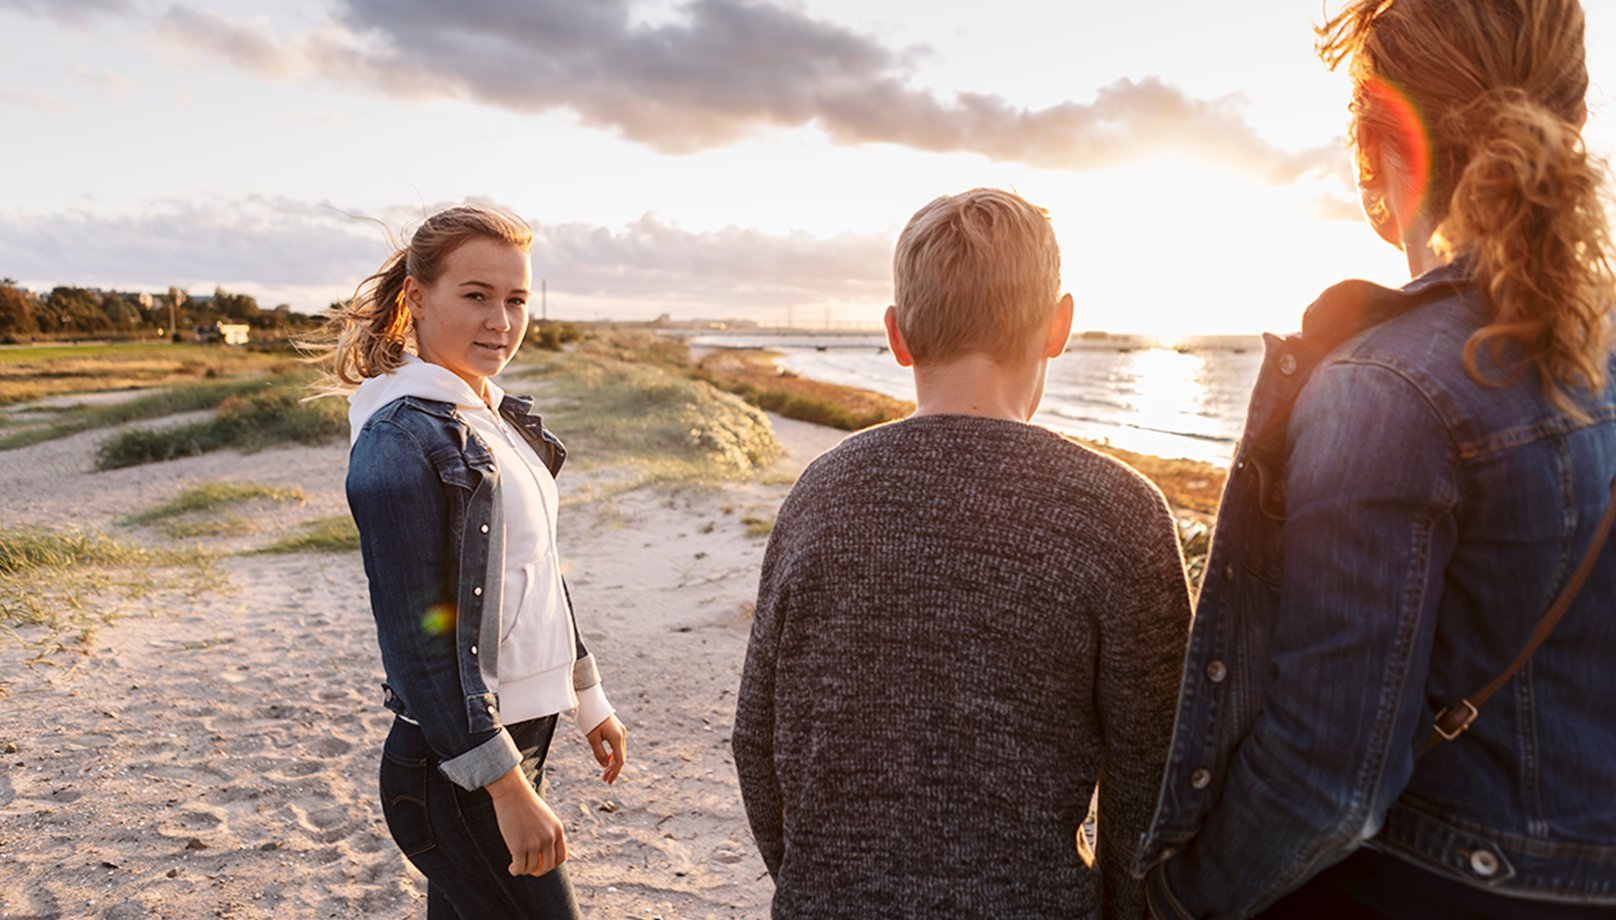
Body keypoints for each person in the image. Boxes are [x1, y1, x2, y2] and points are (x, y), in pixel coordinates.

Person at [1136, 2, 1616, 917]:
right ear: (1578, 125)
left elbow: (1325, 785)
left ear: (1371, 149)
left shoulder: (1385, 386)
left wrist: (1177, 901)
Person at [733, 188, 1193, 919]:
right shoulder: (1121, 513)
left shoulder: (819, 494)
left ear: (896, 335)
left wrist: (811, 883)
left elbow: (756, 740)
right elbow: (1154, 779)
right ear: (1060, 325)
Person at [327, 204, 627, 918]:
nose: (501, 321)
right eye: (476, 295)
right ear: (416, 297)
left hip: (515, 740)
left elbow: (537, 570)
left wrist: (586, 696)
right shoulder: (399, 438)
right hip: (456, 770)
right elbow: (416, 642)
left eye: (516, 299)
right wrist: (505, 786)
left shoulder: (497, 419)